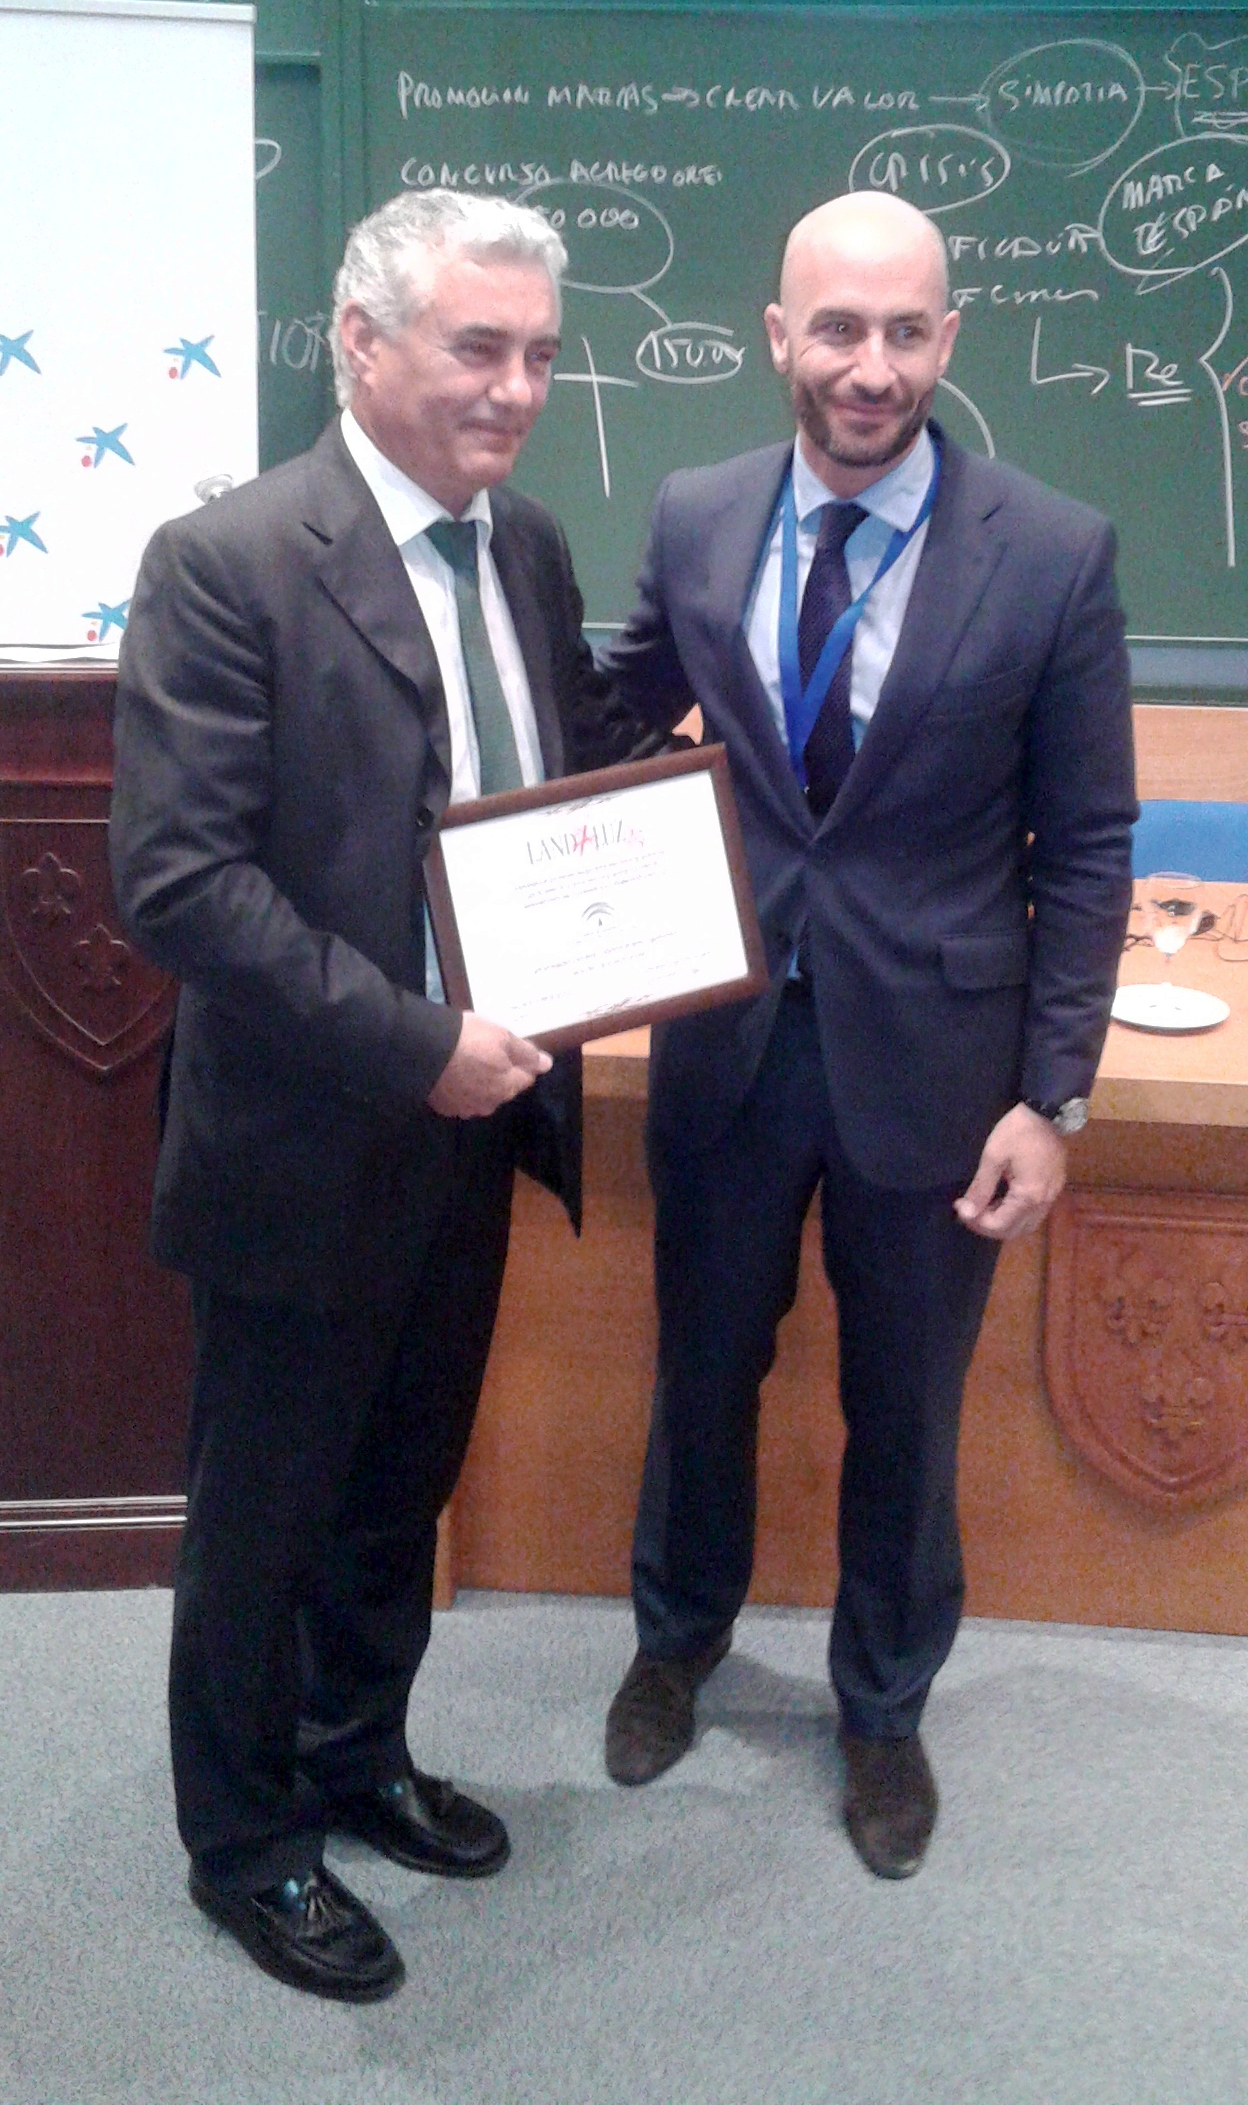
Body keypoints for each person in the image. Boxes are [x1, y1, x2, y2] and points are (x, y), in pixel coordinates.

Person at [109, 189, 614, 2000]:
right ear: (362, 340)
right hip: (307, 1136)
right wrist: (417, 1041)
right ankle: (246, 1842)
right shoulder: (225, 560)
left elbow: (549, 780)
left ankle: (355, 1753)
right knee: (266, 1513)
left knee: (402, 1482)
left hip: (479, 1127)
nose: (515, 389)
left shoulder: (527, 545)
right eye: (479, 347)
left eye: (539, 354)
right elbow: (180, 885)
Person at [598, 191, 1136, 1878]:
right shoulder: (697, 515)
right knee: (702, 1366)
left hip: (942, 1066)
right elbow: (616, 707)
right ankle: (677, 1636)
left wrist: (1053, 1096)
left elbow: (1090, 844)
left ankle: (885, 1707)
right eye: (838, 327)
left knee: (907, 1403)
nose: (871, 367)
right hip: (731, 1037)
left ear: (949, 337)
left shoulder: (1053, 551)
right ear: (780, 335)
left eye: (907, 330)